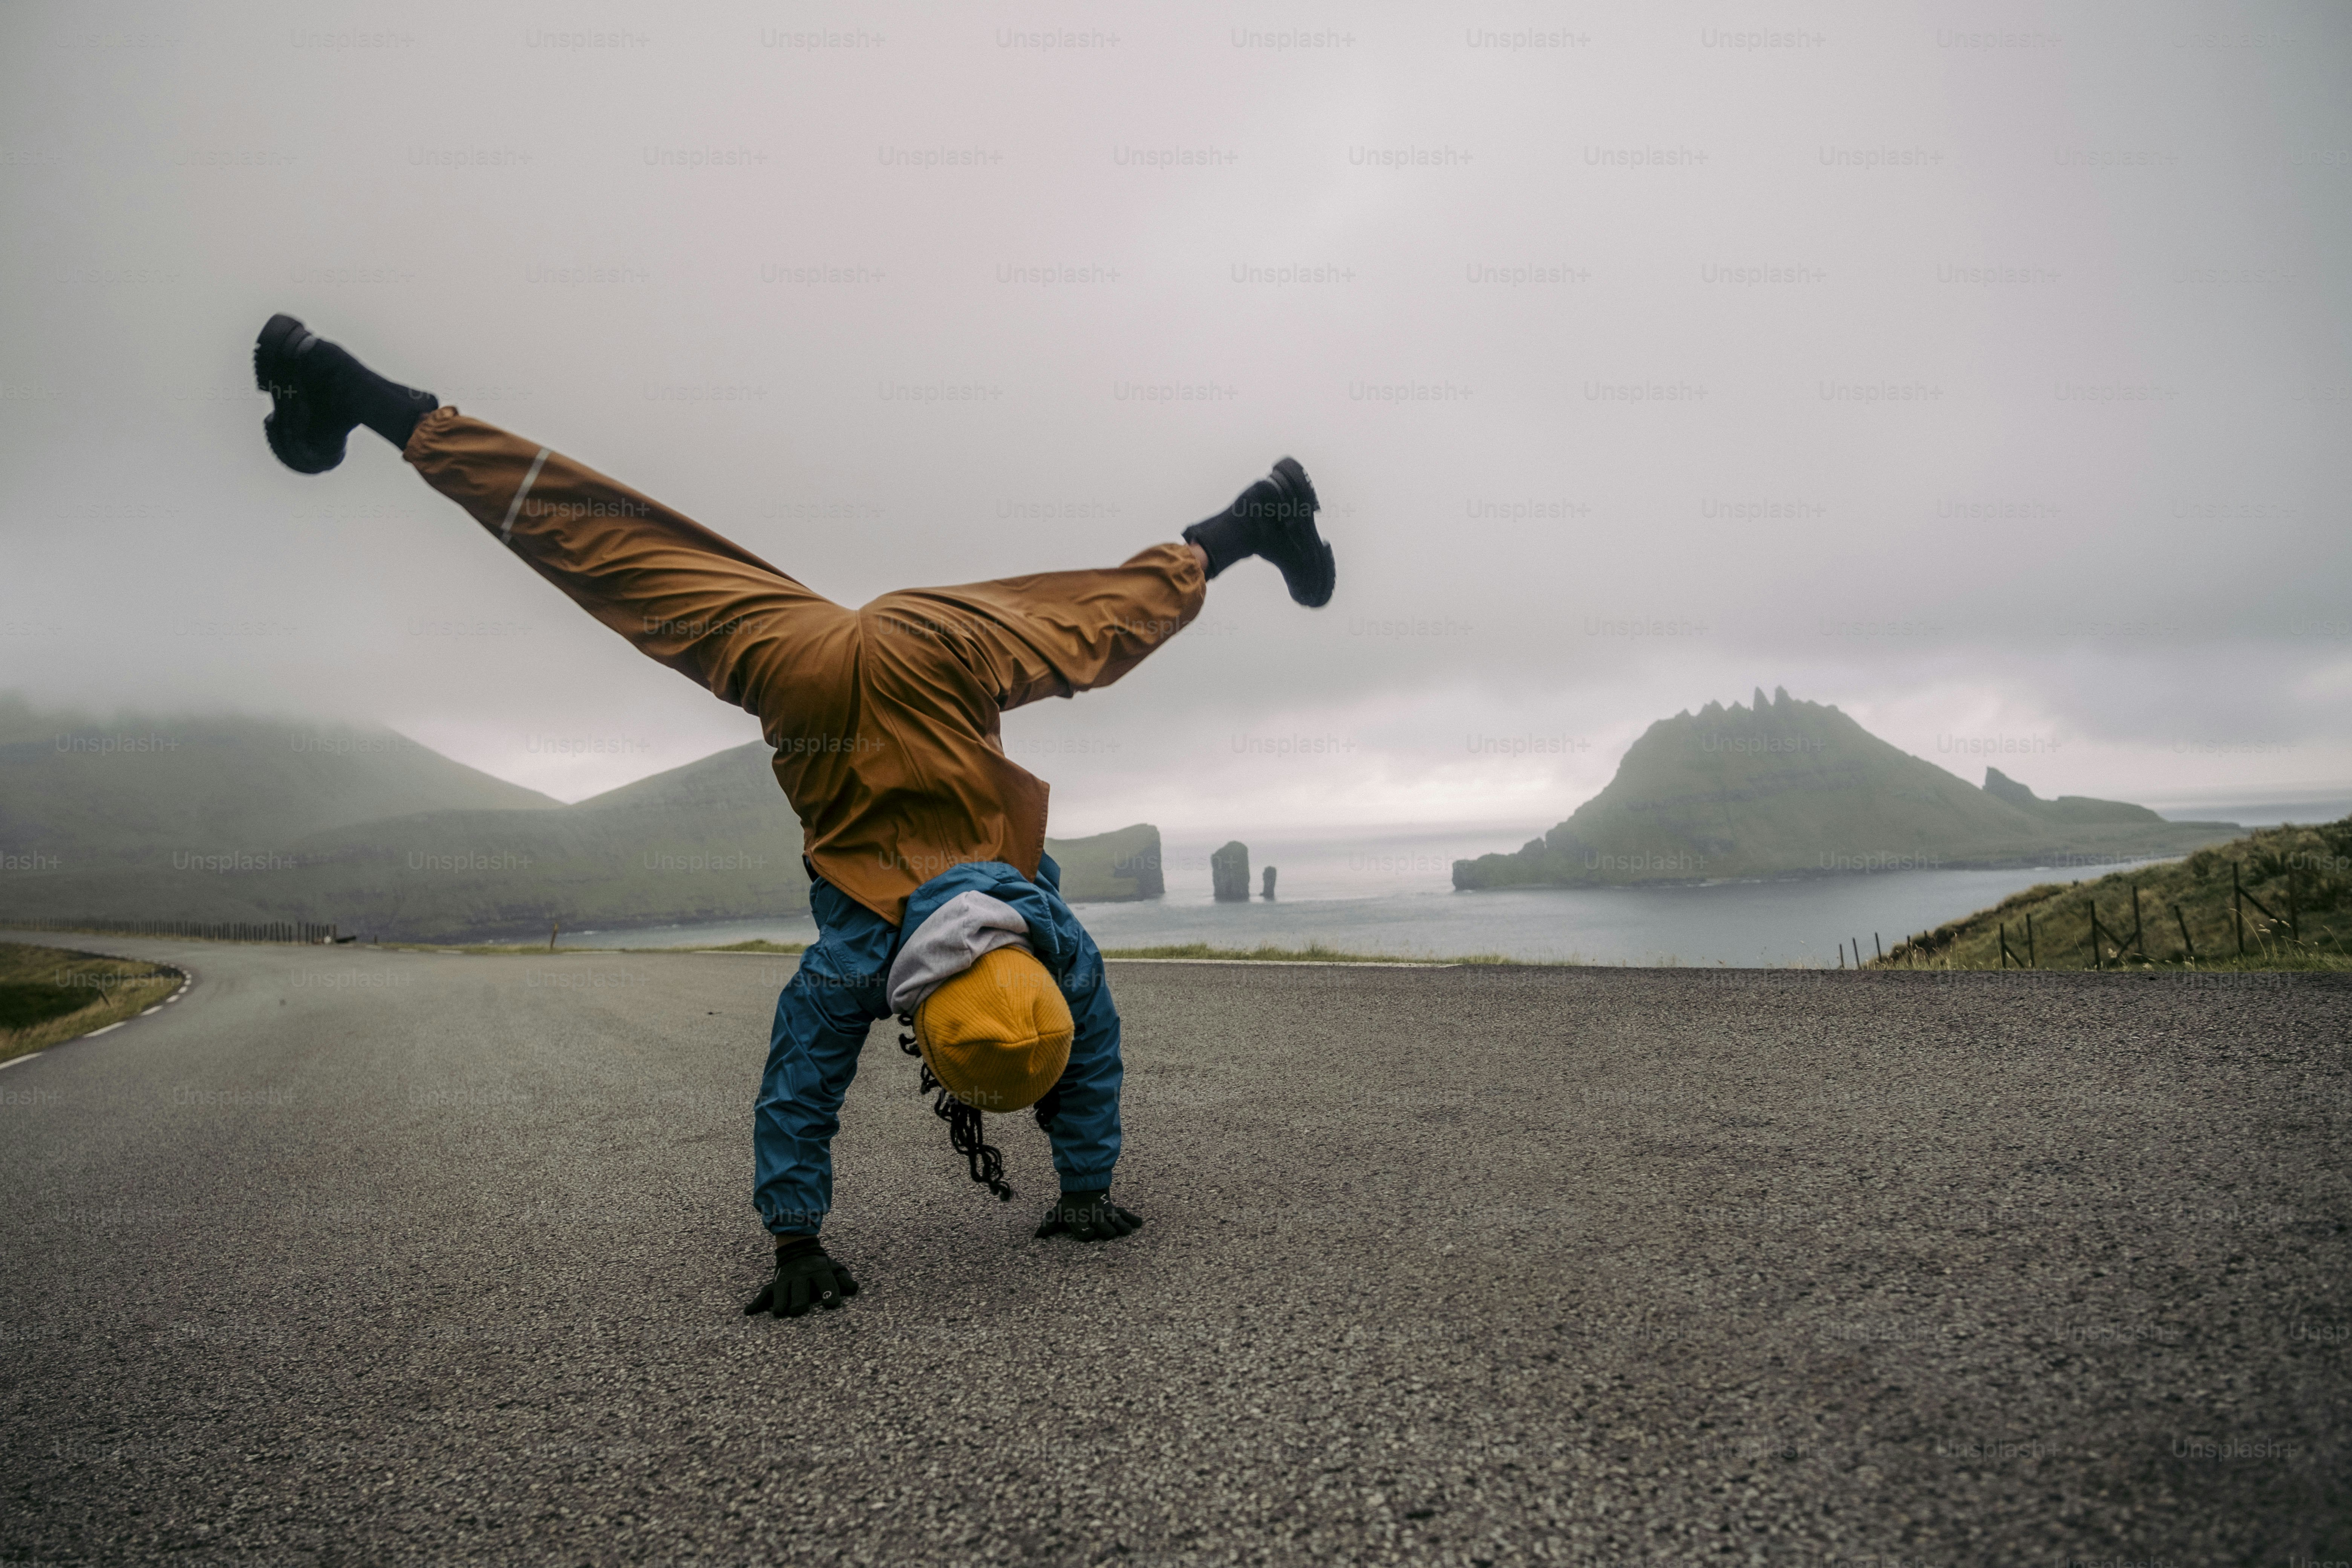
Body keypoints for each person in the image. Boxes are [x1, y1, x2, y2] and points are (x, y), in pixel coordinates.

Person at [252, 313, 1336, 1319]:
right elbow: (798, 1085)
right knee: (610, 548)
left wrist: (1063, 1193)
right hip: (802, 671)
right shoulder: (861, 962)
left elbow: (1075, 1049)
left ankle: (1255, 516)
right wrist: (794, 1241)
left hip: (923, 639)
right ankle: (359, 394)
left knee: (1097, 618)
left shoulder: (1044, 937)